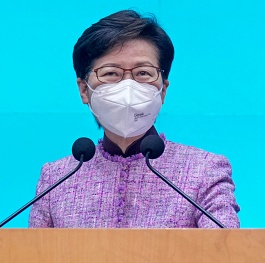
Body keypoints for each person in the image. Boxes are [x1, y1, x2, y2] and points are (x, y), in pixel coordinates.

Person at [29, 10, 240, 228]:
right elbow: (35, 259)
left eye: (143, 73)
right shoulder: (55, 179)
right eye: (111, 73)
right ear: (84, 89)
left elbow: (225, 253)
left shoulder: (204, 171)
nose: (128, 87)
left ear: (163, 90)